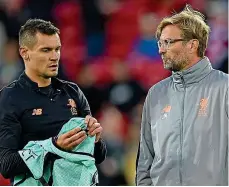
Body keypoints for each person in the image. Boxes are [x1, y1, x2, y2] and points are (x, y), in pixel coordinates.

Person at [0, 19, 106, 184]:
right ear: (24, 53)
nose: (54, 56)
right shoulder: (10, 97)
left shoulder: (73, 92)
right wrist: (53, 146)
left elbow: (97, 156)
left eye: (57, 49)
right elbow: (6, 165)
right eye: (46, 50)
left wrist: (97, 139)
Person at [136, 5, 228, 186]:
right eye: (160, 43)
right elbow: (145, 160)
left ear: (192, 45)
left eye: (168, 42)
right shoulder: (155, 94)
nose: (161, 50)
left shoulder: (224, 88)